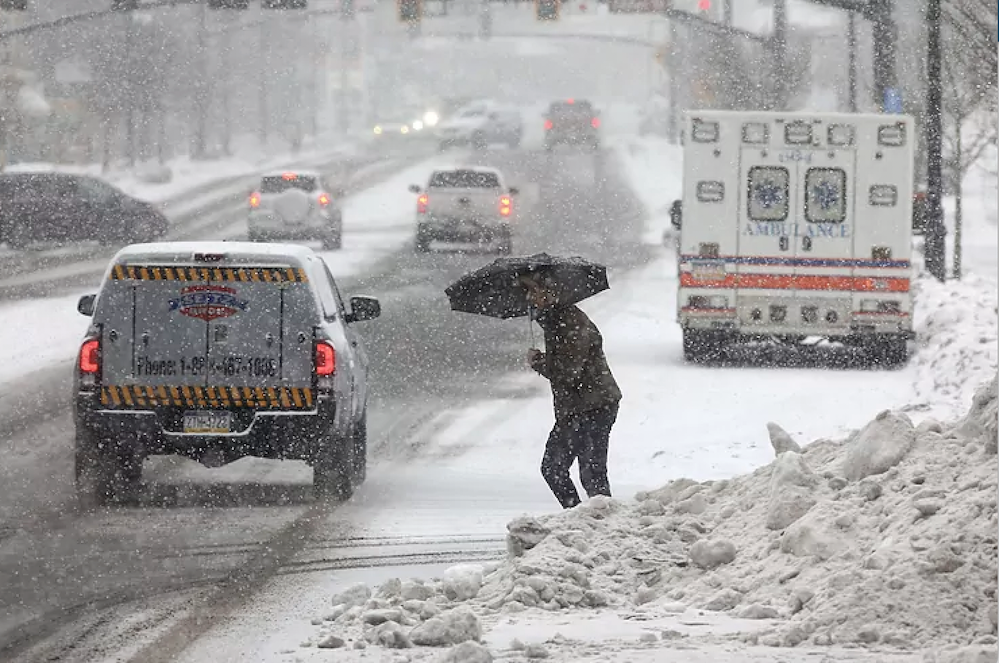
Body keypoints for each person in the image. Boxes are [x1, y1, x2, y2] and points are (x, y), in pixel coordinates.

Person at [521, 273, 622, 509]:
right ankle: (588, 524)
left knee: (574, 471)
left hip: (591, 406)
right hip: (582, 406)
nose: (529, 297)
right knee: (579, 471)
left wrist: (539, 363)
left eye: (532, 290)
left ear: (550, 292)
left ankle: (591, 525)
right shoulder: (556, 320)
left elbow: (569, 372)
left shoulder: (570, 322)